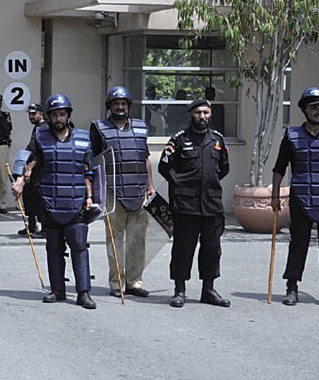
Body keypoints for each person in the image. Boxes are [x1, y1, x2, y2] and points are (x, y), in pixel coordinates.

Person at [12, 93, 96, 309]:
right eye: (54, 115)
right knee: (54, 248)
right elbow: (25, 156)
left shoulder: (83, 138)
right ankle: (57, 289)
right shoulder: (41, 137)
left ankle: (84, 292)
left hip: (76, 201)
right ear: (48, 117)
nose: (58, 119)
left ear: (68, 116)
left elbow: (90, 171)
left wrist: (91, 197)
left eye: (62, 114)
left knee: (79, 246)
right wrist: (19, 179)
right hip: (50, 200)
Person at [158, 98, 230, 308]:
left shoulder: (217, 140)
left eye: (206, 112)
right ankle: (179, 290)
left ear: (210, 115)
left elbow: (223, 169)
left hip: (211, 205)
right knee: (183, 249)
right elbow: (165, 167)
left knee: (212, 249)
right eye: (198, 112)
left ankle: (208, 290)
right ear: (191, 114)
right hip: (185, 206)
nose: (202, 116)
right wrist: (181, 186)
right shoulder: (179, 139)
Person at [271, 87, 319, 306]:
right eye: (314, 107)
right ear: (305, 110)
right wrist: (274, 196)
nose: (318, 111)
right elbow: (279, 168)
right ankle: (291, 287)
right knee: (298, 243)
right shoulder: (292, 137)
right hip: (301, 197)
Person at [91, 86, 155, 298]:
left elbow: (144, 158)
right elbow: (93, 162)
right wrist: (93, 192)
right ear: (110, 106)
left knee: (137, 240)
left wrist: (150, 185)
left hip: (137, 189)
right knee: (115, 239)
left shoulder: (140, 128)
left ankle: (134, 282)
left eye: (124, 103)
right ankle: (117, 282)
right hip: (112, 191)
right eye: (116, 103)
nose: (120, 107)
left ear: (128, 106)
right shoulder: (99, 128)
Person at [18, 102, 45, 237]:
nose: (31, 116)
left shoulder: (43, 128)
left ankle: (44, 228)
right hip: (33, 167)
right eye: (29, 114)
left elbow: (35, 149)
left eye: (33, 114)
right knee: (28, 196)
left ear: (41, 114)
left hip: (40, 169)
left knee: (39, 199)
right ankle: (32, 225)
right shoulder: (37, 128)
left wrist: (27, 166)